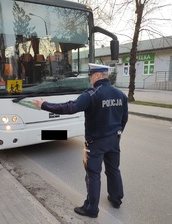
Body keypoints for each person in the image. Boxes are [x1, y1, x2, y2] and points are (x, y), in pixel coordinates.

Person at [32, 63, 128, 218]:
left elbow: (69, 107)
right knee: (113, 170)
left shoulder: (91, 94)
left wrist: (44, 105)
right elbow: (124, 118)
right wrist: (117, 134)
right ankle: (116, 199)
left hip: (96, 142)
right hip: (113, 139)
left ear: (97, 76)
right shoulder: (120, 94)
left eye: (91, 76)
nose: (90, 79)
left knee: (93, 174)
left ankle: (91, 208)